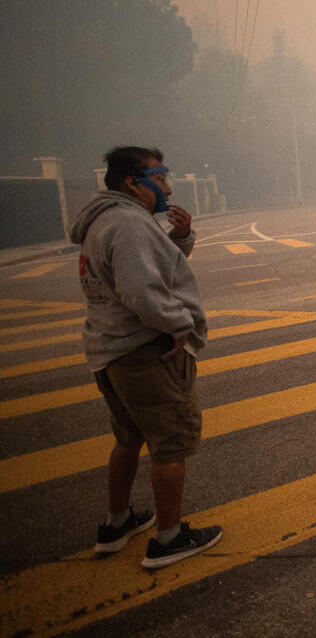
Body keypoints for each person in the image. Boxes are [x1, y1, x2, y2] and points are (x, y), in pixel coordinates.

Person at [69, 146, 222, 569]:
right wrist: (179, 325)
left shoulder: (106, 221)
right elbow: (142, 292)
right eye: (160, 177)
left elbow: (150, 272)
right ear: (133, 182)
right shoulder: (129, 225)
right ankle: (169, 539)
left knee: (128, 438)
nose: (168, 186)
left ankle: (116, 524)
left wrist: (182, 238)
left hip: (111, 349)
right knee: (170, 446)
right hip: (145, 352)